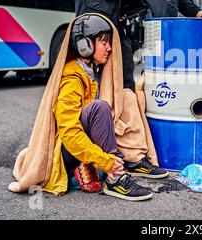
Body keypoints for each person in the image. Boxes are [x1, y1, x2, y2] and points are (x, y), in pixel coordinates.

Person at [57, 14, 169, 201]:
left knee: (126, 95)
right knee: (99, 107)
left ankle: (132, 160)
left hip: (84, 147)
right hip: (68, 152)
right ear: (85, 46)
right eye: (104, 43)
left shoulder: (92, 71)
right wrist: (107, 162)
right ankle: (115, 177)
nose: (109, 48)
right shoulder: (73, 78)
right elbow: (69, 133)